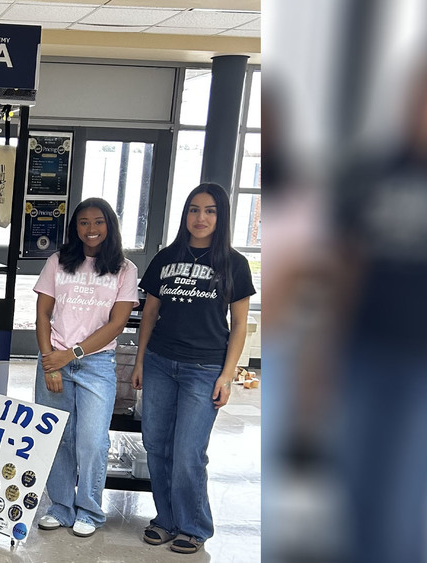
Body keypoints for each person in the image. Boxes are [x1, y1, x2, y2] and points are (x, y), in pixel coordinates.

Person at [132, 182, 255, 554]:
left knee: (188, 452)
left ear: (221, 217)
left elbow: (239, 325)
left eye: (210, 211)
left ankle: (194, 526)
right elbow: (149, 314)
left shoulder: (234, 264)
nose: (201, 218)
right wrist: (140, 361)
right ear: (185, 214)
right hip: (159, 363)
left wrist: (227, 376)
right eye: (194, 210)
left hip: (204, 368)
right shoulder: (165, 258)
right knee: (156, 445)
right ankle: (166, 519)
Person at [33, 198, 139, 538]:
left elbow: (117, 324)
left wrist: (72, 354)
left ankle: (90, 510)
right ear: (74, 227)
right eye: (83, 222)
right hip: (54, 360)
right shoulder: (58, 262)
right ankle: (61, 507)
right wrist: (50, 361)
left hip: (96, 363)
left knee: (92, 441)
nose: (91, 229)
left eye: (98, 222)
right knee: (58, 436)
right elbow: (42, 314)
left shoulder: (125, 269)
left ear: (110, 225)